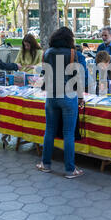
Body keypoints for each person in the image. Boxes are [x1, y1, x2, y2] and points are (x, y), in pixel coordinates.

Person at [36, 26, 85, 179]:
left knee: (49, 130)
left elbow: (43, 74)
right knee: (68, 134)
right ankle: (70, 170)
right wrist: (81, 97)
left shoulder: (47, 53)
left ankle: (45, 164)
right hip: (68, 96)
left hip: (51, 96)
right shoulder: (72, 53)